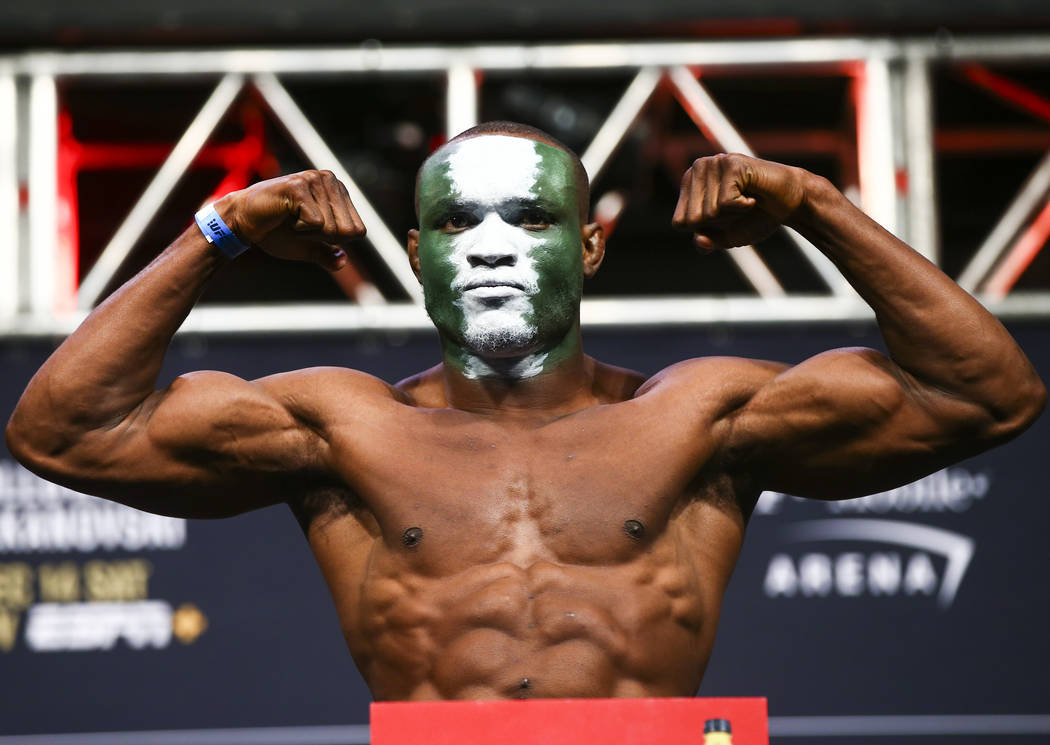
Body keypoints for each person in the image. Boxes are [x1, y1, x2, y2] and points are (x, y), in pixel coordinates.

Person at [6, 121, 1045, 701]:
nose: (494, 245)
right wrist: (218, 229)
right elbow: (64, 429)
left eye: (533, 217)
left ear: (588, 246)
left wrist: (818, 204)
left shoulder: (701, 415)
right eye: (458, 221)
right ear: (415, 257)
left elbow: (986, 391)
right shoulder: (342, 428)